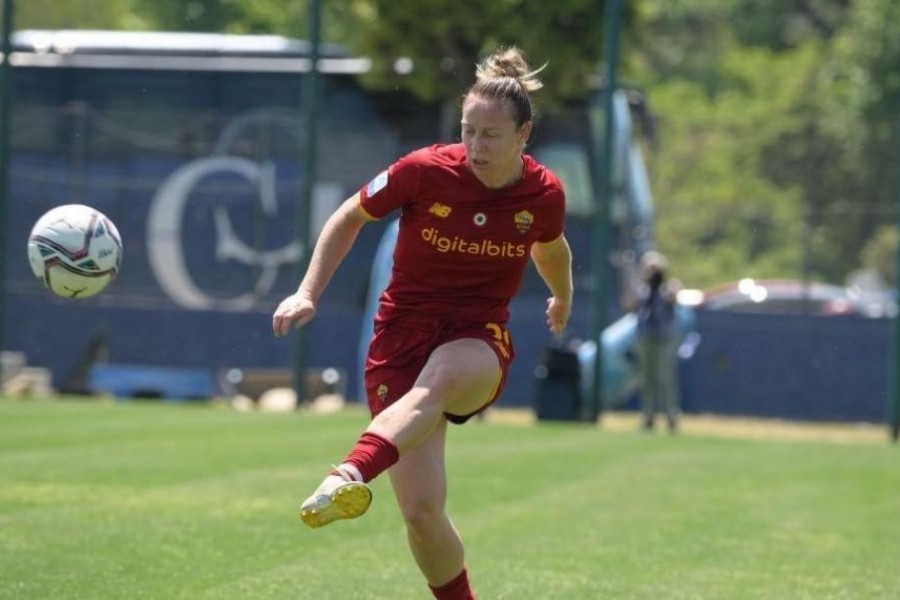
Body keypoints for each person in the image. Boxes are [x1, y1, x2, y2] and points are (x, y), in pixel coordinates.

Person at [272, 46, 573, 600]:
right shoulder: (423, 171)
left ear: (523, 136)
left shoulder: (544, 193)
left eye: (491, 135)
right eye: (468, 132)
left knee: (441, 376)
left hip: (478, 340)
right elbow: (349, 216)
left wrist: (561, 298)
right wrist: (306, 290)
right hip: (399, 339)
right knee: (422, 514)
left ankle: (348, 474)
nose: (476, 146)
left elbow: (552, 250)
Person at [632, 251, 681, 433]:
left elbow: (674, 298)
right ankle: (648, 416)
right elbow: (630, 304)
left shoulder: (668, 287)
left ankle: (671, 417)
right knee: (647, 378)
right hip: (646, 337)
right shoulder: (643, 290)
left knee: (664, 378)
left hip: (664, 338)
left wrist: (666, 285)